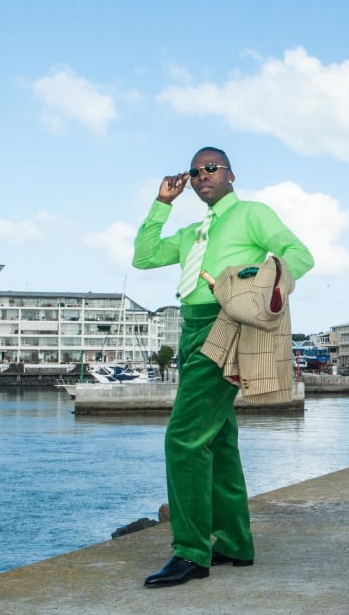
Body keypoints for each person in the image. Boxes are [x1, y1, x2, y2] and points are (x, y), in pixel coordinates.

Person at [133, 146, 314, 587]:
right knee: (218, 439)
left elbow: (298, 255)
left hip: (226, 323)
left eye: (210, 168)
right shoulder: (193, 232)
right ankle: (234, 542)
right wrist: (162, 204)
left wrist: (249, 285)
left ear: (231, 175)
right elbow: (144, 256)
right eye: (195, 172)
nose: (201, 177)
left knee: (184, 439)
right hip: (190, 326)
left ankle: (192, 552)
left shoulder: (252, 213)